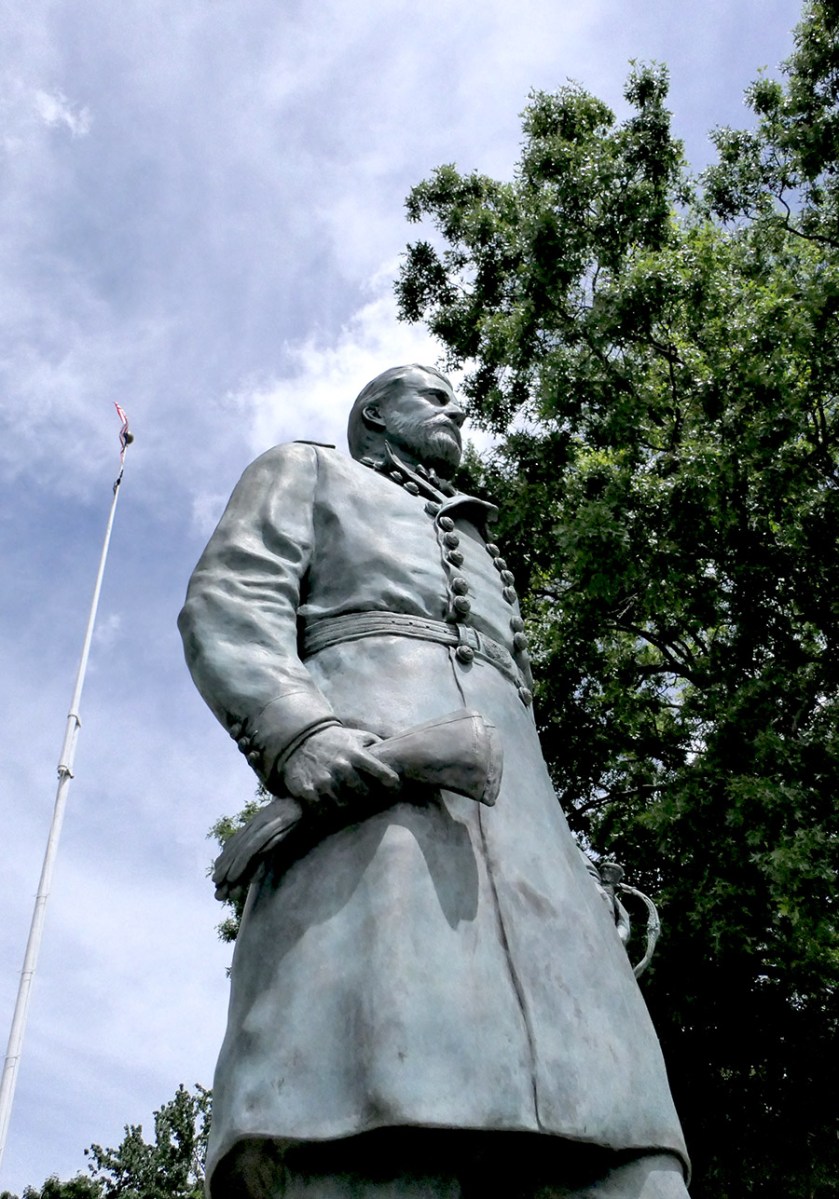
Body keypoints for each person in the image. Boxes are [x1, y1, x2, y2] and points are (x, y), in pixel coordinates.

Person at [179, 365, 690, 1198]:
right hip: (375, 837)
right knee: (377, 1117)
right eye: (432, 394)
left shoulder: (484, 544)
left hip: (540, 885)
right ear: (376, 416)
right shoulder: (307, 471)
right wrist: (300, 732)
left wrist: (574, 871)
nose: (457, 406)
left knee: (627, 1149)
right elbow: (228, 604)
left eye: (458, 396)